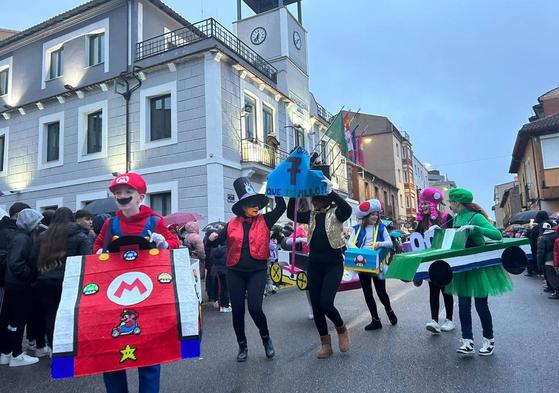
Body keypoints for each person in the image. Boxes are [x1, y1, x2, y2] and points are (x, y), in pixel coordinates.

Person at [93, 172, 180, 393]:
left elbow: (174, 246)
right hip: (115, 295)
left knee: (150, 354)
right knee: (112, 353)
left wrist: (164, 244)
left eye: (128, 192)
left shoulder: (155, 221)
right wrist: (100, 253)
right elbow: (95, 249)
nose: (122, 196)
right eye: (118, 193)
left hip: (149, 294)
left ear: (140, 197)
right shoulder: (110, 224)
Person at [208, 177, 286, 362]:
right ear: (243, 206)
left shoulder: (265, 220)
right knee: (237, 312)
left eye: (257, 203)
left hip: (257, 271)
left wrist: (276, 188)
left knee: (255, 308)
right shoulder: (231, 224)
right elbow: (216, 239)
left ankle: (266, 339)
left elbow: (281, 208)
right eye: (251, 204)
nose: (256, 207)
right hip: (235, 271)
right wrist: (212, 238)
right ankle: (242, 346)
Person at [287, 178, 352, 359]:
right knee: (316, 307)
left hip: (333, 265)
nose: (316, 202)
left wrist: (330, 190)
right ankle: (325, 344)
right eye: (314, 199)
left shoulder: (336, 213)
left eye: (320, 199)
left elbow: (347, 209)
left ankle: (341, 328)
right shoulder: (311, 215)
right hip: (314, 265)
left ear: (326, 199)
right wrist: (296, 193)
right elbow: (291, 214)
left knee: (326, 303)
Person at [444, 188, 511, 356]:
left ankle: (489, 340)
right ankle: (467, 341)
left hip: (478, 267)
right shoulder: (456, 218)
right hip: (462, 266)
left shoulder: (477, 216)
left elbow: (496, 234)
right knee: (463, 306)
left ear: (457, 203)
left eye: (451, 201)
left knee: (481, 305)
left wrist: (476, 228)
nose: (449, 204)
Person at [36, 207, 92, 351]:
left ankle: (53, 348)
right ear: (72, 218)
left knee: (50, 315)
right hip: (70, 282)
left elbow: (33, 257)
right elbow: (87, 259)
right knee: (70, 315)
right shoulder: (80, 235)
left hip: (45, 280)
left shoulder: (43, 236)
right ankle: (71, 346)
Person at [0, 208, 43, 367]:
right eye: (37, 223)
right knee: (18, 321)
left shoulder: (18, 236)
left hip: (13, 284)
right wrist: (30, 275)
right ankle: (16, 355)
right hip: (20, 286)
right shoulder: (23, 239)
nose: (39, 226)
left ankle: (6, 353)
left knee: (11, 321)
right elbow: (16, 263)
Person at [348, 199, 397, 331]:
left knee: (381, 292)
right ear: (365, 216)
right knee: (367, 293)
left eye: (376, 214)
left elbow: (390, 243)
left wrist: (379, 244)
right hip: (362, 263)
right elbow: (350, 243)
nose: (375, 216)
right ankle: (375, 320)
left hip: (377, 263)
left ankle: (389, 310)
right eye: (372, 214)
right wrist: (356, 249)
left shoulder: (381, 228)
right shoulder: (357, 229)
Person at [414, 188, 455, 334]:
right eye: (422, 204)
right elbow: (416, 242)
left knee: (446, 290)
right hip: (430, 262)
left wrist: (440, 231)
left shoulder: (445, 217)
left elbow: (453, 237)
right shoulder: (421, 222)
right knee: (433, 290)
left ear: (433, 204)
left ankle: (449, 320)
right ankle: (434, 321)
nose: (423, 206)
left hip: (444, 260)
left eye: (426, 203)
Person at [207, 227, 230, 312]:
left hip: (218, 270)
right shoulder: (227, 247)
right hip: (227, 269)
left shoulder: (214, 248)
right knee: (226, 288)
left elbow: (211, 257)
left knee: (219, 287)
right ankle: (225, 305)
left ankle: (220, 303)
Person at [536, 222, 559, 298]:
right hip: (556, 258)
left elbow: (540, 252)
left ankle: (557, 291)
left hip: (548, 259)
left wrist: (539, 263)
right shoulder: (556, 235)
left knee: (551, 276)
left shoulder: (542, 238)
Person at [526, 211, 549, 276]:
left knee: (541, 261)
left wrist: (529, 232)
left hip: (539, 247)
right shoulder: (552, 224)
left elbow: (532, 238)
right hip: (550, 247)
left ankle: (539, 271)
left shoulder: (537, 227)